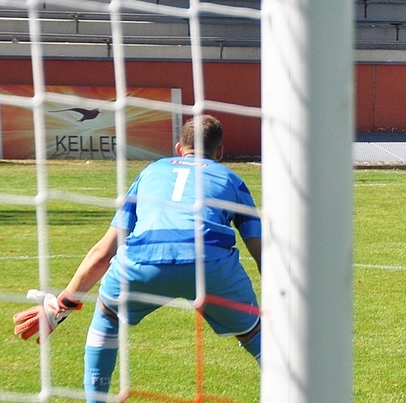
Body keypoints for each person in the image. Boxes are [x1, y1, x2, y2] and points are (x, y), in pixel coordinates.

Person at [13, 115, 262, 402]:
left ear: (179, 148)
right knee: (254, 334)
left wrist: (63, 304)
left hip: (142, 263)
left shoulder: (151, 171)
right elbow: (260, 251)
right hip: (210, 265)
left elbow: (103, 252)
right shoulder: (232, 179)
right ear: (219, 153)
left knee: (107, 316)